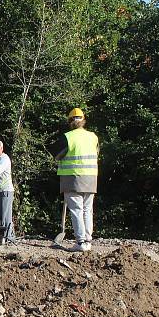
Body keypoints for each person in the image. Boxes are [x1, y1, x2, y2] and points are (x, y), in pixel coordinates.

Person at [51, 106, 99, 252]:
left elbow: (57, 155)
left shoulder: (68, 137)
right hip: (91, 178)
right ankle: (88, 240)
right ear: (83, 120)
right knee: (87, 210)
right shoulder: (93, 136)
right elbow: (96, 153)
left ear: (70, 121)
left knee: (77, 209)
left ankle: (81, 241)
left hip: (73, 178)